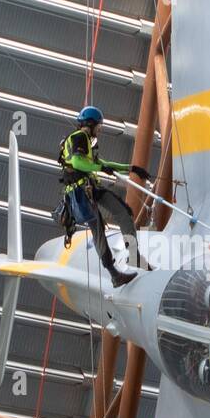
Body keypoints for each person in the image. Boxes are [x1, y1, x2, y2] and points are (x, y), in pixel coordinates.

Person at [59, 105, 151, 287]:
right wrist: (101, 169)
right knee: (98, 231)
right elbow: (77, 162)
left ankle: (134, 255)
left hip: (91, 188)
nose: (100, 129)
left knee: (123, 212)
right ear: (90, 124)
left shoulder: (88, 141)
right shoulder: (78, 138)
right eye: (99, 125)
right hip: (80, 193)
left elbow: (102, 163)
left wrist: (132, 169)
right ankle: (114, 274)